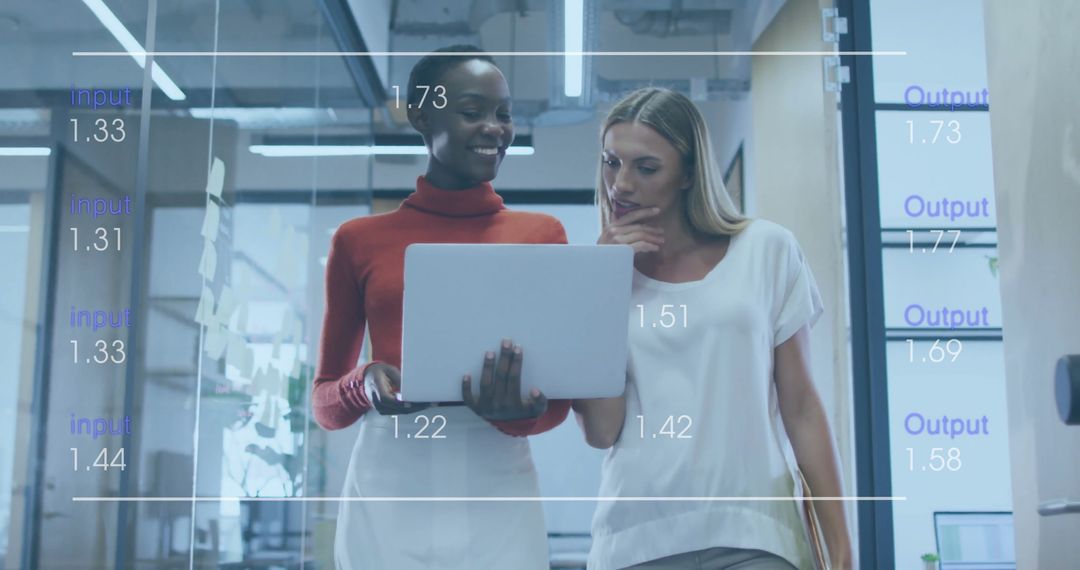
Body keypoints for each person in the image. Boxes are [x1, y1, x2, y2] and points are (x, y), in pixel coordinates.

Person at [312, 45, 571, 570]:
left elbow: (557, 407)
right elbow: (325, 405)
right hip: (391, 477)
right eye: (473, 112)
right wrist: (362, 383)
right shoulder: (358, 240)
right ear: (421, 113)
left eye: (503, 114)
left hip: (497, 474)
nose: (495, 128)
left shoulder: (542, 236)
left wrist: (519, 415)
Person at [573, 87, 853, 569]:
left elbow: (802, 409)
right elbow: (601, 430)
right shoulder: (598, 276)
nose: (620, 184)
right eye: (611, 162)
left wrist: (842, 551)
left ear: (687, 173)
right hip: (637, 539)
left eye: (646, 167)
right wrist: (602, 287)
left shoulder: (767, 250)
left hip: (758, 533)